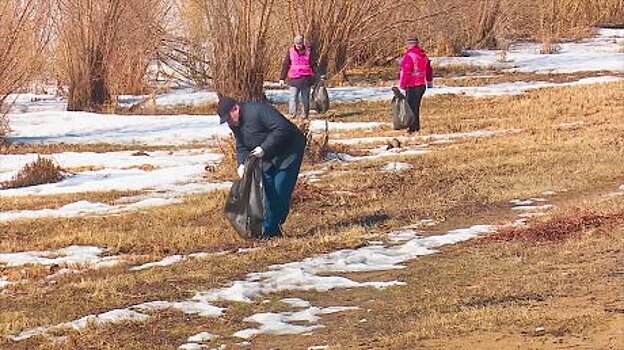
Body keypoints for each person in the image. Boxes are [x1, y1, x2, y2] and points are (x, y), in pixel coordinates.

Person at [217, 96, 306, 239]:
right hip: (268, 155)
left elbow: (282, 127)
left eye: (228, 118)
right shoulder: (234, 124)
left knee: (279, 189)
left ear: (236, 108)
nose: (229, 122)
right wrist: (241, 164)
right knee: (268, 190)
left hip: (289, 150)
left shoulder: (258, 111)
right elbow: (241, 145)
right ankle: (271, 228)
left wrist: (264, 148)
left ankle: (271, 231)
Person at [399, 34, 433, 133]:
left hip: (412, 85)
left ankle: (412, 128)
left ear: (409, 44)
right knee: (416, 106)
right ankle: (416, 126)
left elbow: (406, 71)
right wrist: (429, 81)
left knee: (410, 107)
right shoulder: (422, 55)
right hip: (421, 85)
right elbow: (429, 69)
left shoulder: (409, 56)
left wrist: (403, 85)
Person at [279, 34, 319, 118]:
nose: (298, 46)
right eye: (297, 44)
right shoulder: (290, 51)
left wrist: (318, 75)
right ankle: (292, 114)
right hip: (294, 79)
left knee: (305, 99)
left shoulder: (308, 51)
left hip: (306, 79)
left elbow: (313, 65)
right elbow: (286, 65)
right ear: (294, 43)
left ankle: (305, 115)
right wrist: (282, 78)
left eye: (300, 44)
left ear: (302, 43)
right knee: (293, 98)